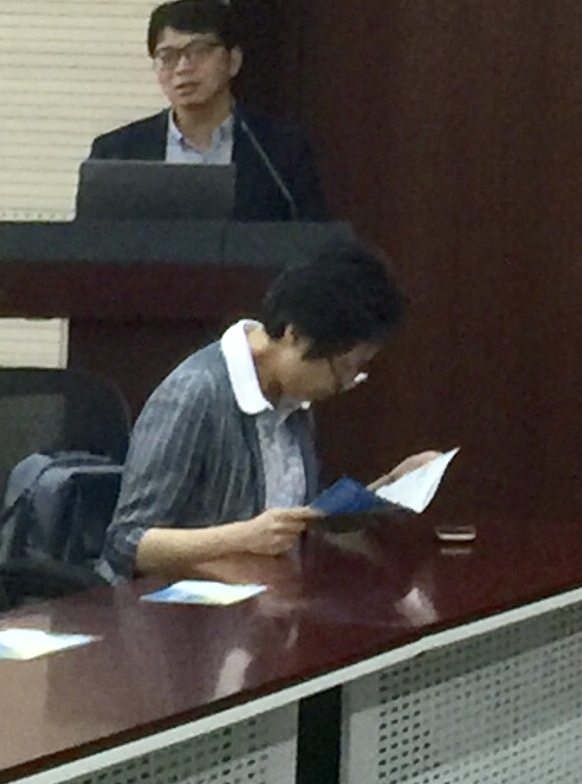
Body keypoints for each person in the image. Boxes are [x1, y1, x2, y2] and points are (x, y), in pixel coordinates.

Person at [104, 241, 439, 577]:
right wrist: (242, 536)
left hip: (269, 596)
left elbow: (293, 523)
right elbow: (127, 543)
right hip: (187, 605)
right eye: (343, 367)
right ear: (295, 335)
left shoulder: (291, 397)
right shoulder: (195, 392)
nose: (346, 383)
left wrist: (388, 488)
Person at [87, 0, 329, 221]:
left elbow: (312, 240)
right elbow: (92, 243)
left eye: (199, 51)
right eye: (168, 56)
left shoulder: (280, 151)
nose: (182, 67)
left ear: (233, 61)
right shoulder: (116, 153)